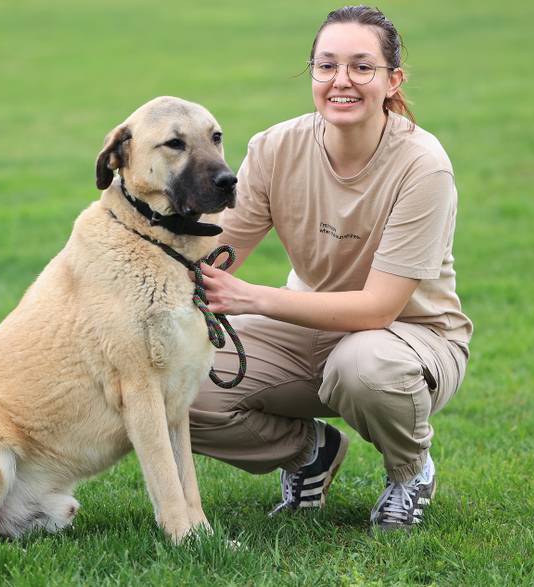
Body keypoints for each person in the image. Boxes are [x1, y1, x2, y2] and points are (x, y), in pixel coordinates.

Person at [188, 5, 472, 531]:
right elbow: (211, 253)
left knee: (363, 365)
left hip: (409, 337)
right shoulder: (274, 148)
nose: (342, 80)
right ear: (313, 73)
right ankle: (311, 451)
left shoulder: (422, 165)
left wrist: (253, 298)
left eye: (362, 67)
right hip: (308, 328)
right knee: (176, 383)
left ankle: (411, 472)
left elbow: (379, 308)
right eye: (327, 66)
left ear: (392, 81)